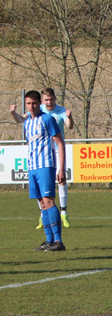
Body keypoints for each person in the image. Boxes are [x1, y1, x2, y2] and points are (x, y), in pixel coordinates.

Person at [9, 90, 67, 251]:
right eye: (28, 103)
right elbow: (20, 119)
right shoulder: (28, 121)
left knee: (48, 201)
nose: (31, 106)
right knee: (42, 204)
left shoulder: (47, 119)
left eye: (34, 103)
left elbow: (60, 143)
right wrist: (13, 113)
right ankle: (48, 241)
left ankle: (58, 241)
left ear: (39, 103)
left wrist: (61, 168)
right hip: (32, 167)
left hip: (45, 166)